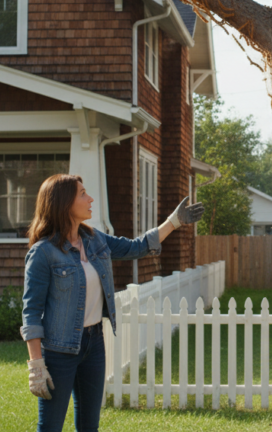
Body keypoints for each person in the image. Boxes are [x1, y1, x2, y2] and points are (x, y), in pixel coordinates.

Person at [20, 173, 204, 432]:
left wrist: (173, 222)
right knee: (50, 426)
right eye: (82, 194)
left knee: (89, 425)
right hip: (59, 350)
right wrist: (37, 366)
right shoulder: (43, 253)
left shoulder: (95, 239)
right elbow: (31, 312)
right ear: (63, 203)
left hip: (94, 343)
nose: (90, 198)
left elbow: (136, 247)